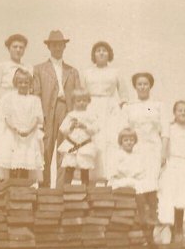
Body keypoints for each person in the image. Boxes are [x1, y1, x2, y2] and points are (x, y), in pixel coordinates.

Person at [0, 33, 32, 181]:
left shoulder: (28, 67)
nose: (18, 50)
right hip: (7, 107)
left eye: (21, 47)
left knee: (22, 140)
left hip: (23, 106)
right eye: (15, 47)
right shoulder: (1, 67)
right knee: (5, 140)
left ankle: (21, 177)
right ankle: (3, 177)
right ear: (9, 48)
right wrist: (1, 105)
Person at [32, 30, 81, 187]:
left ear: (64, 46)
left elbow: (79, 96)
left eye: (60, 45)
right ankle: (45, 188)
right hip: (47, 111)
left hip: (66, 110)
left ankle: (61, 190)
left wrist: (76, 117)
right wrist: (40, 118)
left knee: (65, 150)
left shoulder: (72, 71)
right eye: (54, 45)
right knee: (45, 149)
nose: (57, 48)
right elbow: (36, 95)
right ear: (49, 47)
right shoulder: (39, 69)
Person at [79, 41, 128, 183]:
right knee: (93, 140)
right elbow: (81, 93)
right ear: (94, 54)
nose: (101, 53)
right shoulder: (87, 73)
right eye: (98, 50)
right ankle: (89, 178)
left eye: (104, 50)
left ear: (109, 54)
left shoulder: (116, 72)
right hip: (91, 108)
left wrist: (122, 111)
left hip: (110, 109)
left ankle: (108, 178)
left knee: (109, 141)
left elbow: (124, 95)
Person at [124, 72, 167, 229]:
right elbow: (124, 129)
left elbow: (165, 132)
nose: (142, 87)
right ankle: (141, 216)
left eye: (145, 84)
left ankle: (153, 216)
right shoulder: (129, 107)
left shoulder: (158, 105)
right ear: (135, 87)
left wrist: (164, 152)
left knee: (153, 181)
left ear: (150, 86)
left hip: (153, 148)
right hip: (135, 149)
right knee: (138, 182)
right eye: (139, 84)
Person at [158, 100, 185, 242]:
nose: (183, 113)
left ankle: (179, 231)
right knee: (169, 198)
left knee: (182, 200)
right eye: (179, 110)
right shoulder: (169, 129)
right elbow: (163, 146)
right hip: (172, 164)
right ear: (174, 113)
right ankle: (167, 231)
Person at [0, 69, 44, 181]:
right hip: (13, 134)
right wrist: (15, 129)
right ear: (16, 83)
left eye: (26, 82)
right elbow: (7, 117)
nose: (23, 85)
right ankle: (12, 187)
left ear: (30, 84)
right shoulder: (10, 98)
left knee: (26, 160)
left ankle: (23, 188)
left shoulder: (34, 100)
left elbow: (37, 118)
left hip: (29, 135)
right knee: (12, 161)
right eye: (20, 82)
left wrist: (29, 130)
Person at [57, 89, 99, 186]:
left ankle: (85, 189)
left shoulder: (91, 115)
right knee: (69, 167)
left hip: (85, 144)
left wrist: (85, 126)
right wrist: (71, 127)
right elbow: (63, 129)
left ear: (88, 101)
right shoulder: (70, 115)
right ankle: (66, 188)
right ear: (73, 102)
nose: (81, 103)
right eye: (78, 101)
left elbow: (95, 129)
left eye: (84, 100)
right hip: (72, 144)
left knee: (84, 168)